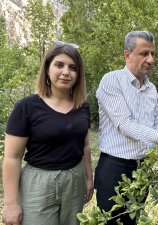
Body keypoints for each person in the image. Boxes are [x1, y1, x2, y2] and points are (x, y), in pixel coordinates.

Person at [94, 30, 158, 225]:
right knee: (112, 221)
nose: (151, 59)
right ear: (127, 54)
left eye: (153, 54)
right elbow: (125, 125)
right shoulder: (111, 80)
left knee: (132, 220)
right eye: (144, 53)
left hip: (142, 167)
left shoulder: (151, 88)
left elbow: (156, 120)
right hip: (114, 166)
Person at [2, 41, 94, 225]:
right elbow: (12, 157)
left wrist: (89, 178)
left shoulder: (82, 106)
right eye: (59, 65)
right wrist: (11, 203)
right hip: (38, 183)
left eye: (73, 67)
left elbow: (84, 145)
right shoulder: (27, 107)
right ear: (47, 68)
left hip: (74, 180)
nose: (66, 72)